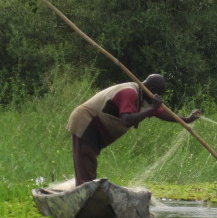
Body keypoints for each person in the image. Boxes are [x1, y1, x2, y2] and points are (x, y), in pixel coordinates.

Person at [66, 74, 201, 186]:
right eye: (158, 93)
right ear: (150, 89)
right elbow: (127, 119)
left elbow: (164, 113)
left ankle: (87, 193)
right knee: (86, 161)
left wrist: (187, 119)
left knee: (88, 163)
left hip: (97, 128)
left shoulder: (146, 99)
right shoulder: (129, 92)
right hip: (87, 121)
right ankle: (85, 196)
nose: (158, 97)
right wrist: (151, 109)